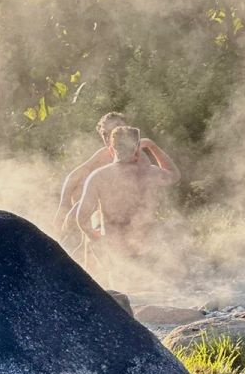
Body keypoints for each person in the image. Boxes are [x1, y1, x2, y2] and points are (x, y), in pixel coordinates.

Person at [71, 124, 179, 262]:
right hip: (144, 247)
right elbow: (174, 175)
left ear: (111, 149)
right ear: (138, 150)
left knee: (115, 281)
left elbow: (81, 218)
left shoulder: (98, 176)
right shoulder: (150, 172)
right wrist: (152, 146)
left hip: (114, 248)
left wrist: (95, 238)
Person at [56, 111, 133, 233]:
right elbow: (74, 176)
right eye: (105, 133)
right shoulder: (105, 154)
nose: (108, 136)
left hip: (125, 212)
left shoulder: (136, 154)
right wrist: (64, 203)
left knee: (87, 210)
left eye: (116, 129)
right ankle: (61, 241)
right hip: (102, 210)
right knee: (78, 203)